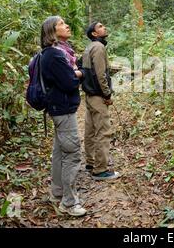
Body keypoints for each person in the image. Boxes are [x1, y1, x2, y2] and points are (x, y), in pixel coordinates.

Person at [39, 16, 86, 216]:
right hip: (63, 109)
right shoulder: (55, 55)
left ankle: (57, 192)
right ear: (52, 30)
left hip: (58, 108)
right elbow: (69, 83)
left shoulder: (51, 53)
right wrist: (79, 74)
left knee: (60, 152)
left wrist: (72, 72)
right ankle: (68, 202)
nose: (67, 26)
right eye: (61, 24)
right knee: (72, 153)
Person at [82, 21, 120, 180]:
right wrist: (107, 94)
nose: (104, 27)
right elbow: (100, 74)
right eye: (100, 27)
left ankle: (91, 162)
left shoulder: (89, 47)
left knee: (90, 131)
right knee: (103, 131)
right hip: (97, 96)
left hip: (89, 96)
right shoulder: (98, 47)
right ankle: (100, 170)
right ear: (94, 34)